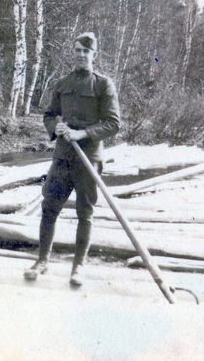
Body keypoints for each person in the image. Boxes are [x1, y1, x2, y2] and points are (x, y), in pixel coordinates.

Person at [24, 32, 120, 287]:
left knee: (84, 213)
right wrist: (54, 128)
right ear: (73, 52)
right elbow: (49, 114)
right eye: (77, 50)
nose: (81, 55)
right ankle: (42, 261)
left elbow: (113, 123)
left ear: (93, 55)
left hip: (89, 158)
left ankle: (78, 266)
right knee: (49, 208)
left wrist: (83, 133)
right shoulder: (62, 83)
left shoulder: (103, 85)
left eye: (86, 51)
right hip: (63, 157)